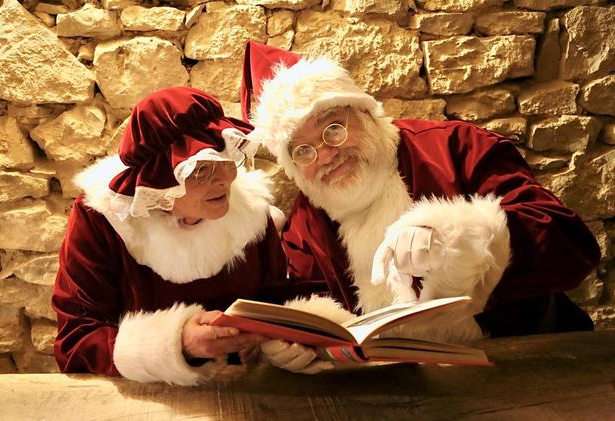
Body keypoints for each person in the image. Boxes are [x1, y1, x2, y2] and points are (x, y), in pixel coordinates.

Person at [239, 41, 600, 373]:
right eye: (303, 150)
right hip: (404, 383)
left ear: (362, 112)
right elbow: (310, 295)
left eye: (332, 128)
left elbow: (570, 243)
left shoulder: (454, 147)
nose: (327, 155)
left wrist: (460, 238)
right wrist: (298, 339)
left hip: (520, 360)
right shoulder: (308, 216)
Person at [52, 86, 321, 385]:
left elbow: (272, 299)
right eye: (201, 170)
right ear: (160, 181)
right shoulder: (103, 220)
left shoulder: (252, 212)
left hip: (243, 394)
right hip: (144, 397)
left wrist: (269, 343)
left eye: (224, 160)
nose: (223, 181)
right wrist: (177, 344)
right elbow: (76, 340)